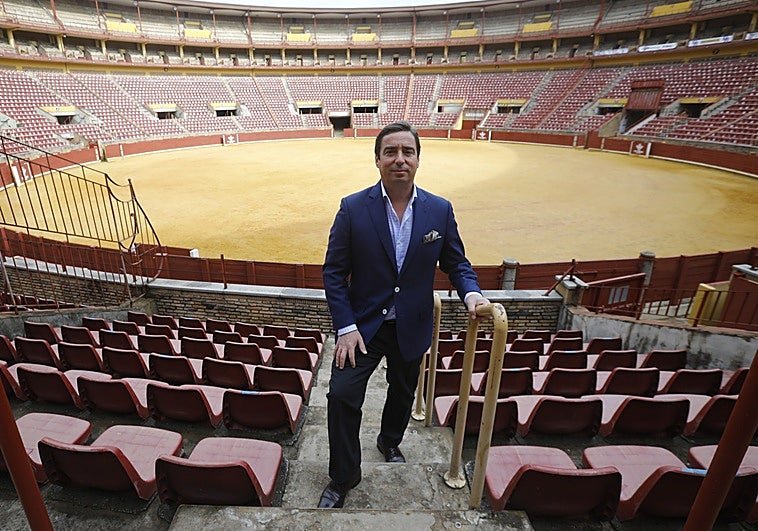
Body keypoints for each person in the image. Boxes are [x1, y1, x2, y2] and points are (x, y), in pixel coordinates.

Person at [319, 121, 489, 509]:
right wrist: (345, 326)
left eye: (407, 152)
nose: (400, 159)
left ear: (417, 159)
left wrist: (472, 294)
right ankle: (344, 476)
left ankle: (389, 441)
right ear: (377, 159)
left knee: (403, 392)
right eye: (391, 152)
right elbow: (333, 272)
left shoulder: (439, 210)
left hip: (411, 324)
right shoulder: (352, 207)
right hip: (361, 327)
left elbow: (456, 263)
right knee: (341, 395)